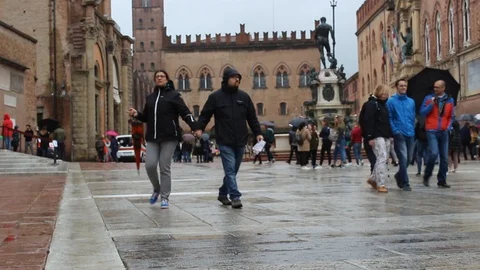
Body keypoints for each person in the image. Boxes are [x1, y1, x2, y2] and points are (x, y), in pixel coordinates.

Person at [195, 67, 263, 209]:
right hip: (224, 139)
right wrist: (199, 128)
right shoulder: (215, 97)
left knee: (233, 170)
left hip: (240, 139)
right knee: (230, 169)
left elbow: (252, 117)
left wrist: (258, 132)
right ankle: (235, 196)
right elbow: (205, 114)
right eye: (233, 77)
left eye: (238, 77)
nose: (237, 79)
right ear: (226, 79)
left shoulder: (244, 97)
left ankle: (222, 192)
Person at [128, 70, 196, 208]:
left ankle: (165, 197)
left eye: (162, 76)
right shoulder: (150, 98)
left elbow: (185, 113)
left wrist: (195, 126)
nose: (159, 78)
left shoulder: (174, 96)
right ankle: (156, 188)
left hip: (170, 137)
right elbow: (146, 117)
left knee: (164, 167)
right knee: (150, 165)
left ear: (167, 79)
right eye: (157, 76)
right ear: (155, 79)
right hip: (152, 137)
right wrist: (137, 114)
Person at [420, 80, 454, 188]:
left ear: (443, 88)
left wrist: (448, 127)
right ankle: (427, 175)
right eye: (434, 87)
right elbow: (422, 112)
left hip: (444, 131)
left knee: (444, 157)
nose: (435, 89)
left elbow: (451, 116)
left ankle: (442, 180)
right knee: (434, 153)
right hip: (431, 130)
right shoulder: (428, 98)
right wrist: (431, 104)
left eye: (438, 87)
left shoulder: (450, 100)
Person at [386, 79, 416, 191]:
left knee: (409, 158)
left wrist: (413, 127)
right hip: (399, 133)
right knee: (403, 158)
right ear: (397, 87)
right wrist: (395, 131)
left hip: (410, 133)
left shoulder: (411, 102)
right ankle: (405, 182)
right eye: (401, 85)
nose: (403, 87)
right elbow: (390, 118)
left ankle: (399, 175)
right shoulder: (391, 102)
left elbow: (413, 116)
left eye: (405, 86)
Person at [363, 84, 392, 193]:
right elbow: (368, 121)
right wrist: (369, 136)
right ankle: (381, 183)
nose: (385, 95)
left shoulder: (384, 105)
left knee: (383, 158)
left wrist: (390, 135)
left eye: (386, 93)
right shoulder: (372, 104)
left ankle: (373, 178)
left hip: (385, 135)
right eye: (383, 92)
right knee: (382, 158)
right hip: (377, 135)